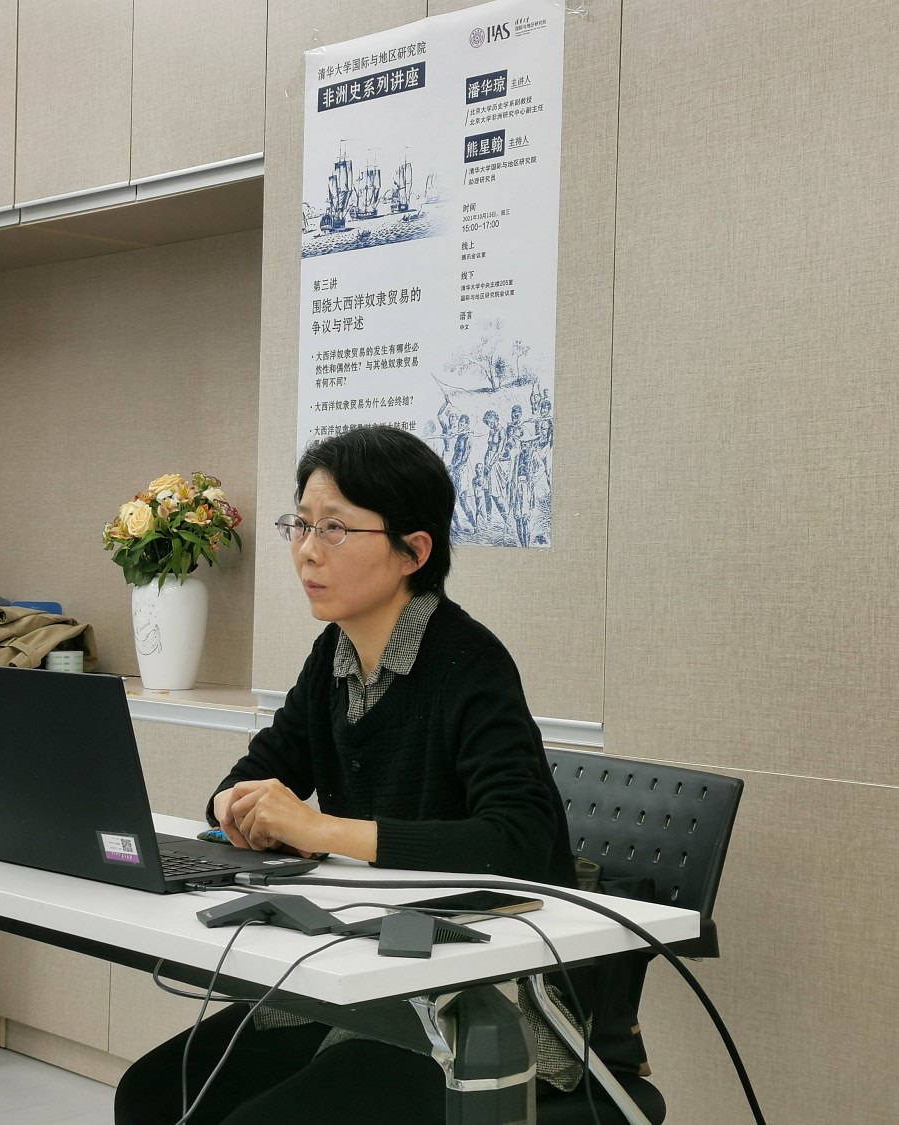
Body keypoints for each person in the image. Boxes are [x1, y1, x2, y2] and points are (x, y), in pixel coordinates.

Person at [113, 424, 576, 1125]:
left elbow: (516, 841)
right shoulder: (333, 655)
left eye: (333, 527)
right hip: (364, 971)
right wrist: (236, 806)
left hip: (476, 1001)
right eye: (300, 524)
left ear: (413, 551)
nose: (306, 549)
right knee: (150, 1095)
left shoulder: (470, 664)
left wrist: (319, 828)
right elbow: (251, 776)